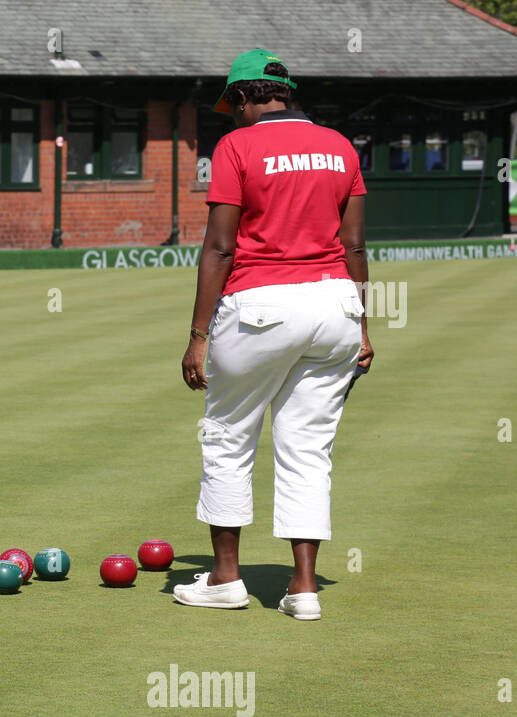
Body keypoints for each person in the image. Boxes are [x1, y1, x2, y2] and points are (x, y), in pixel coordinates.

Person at [174, 49, 374, 621]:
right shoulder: (339, 145)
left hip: (260, 303)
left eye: (229, 106)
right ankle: (304, 590)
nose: (230, 117)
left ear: (242, 97)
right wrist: (362, 324)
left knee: (228, 435)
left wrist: (196, 335)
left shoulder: (236, 145)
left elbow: (219, 246)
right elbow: (355, 246)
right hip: (334, 303)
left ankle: (226, 580)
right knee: (308, 449)